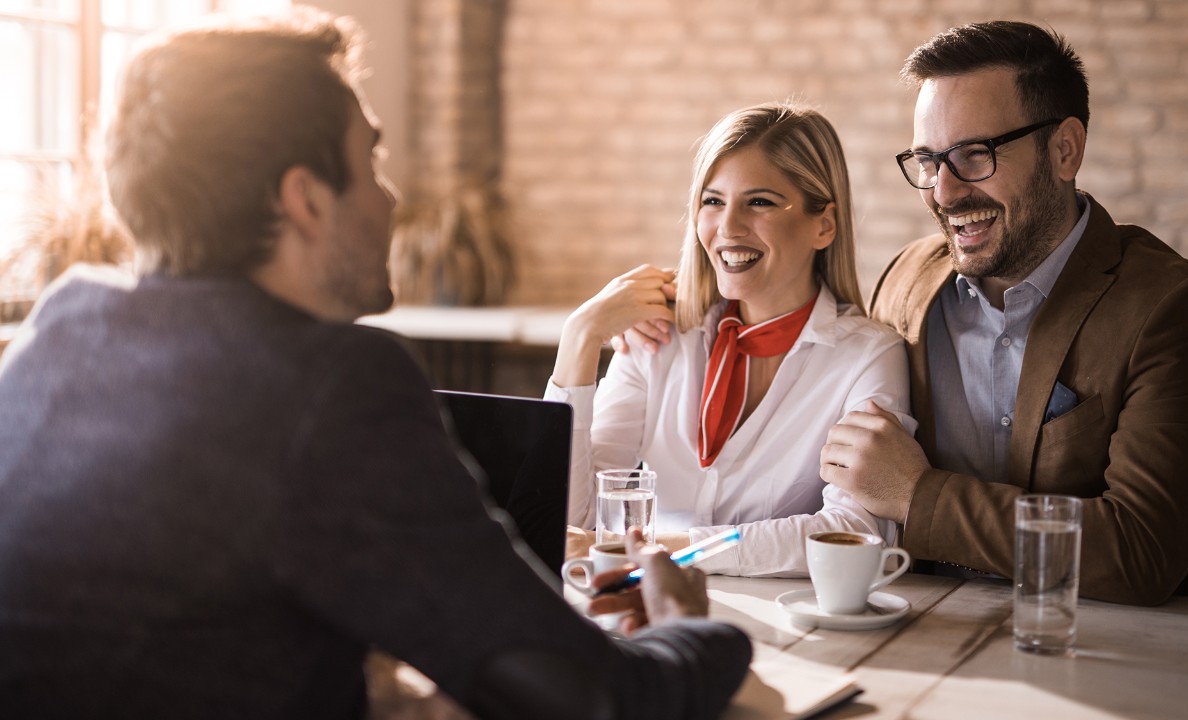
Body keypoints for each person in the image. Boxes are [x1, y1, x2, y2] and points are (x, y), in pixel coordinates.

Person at [0, 9, 750, 719]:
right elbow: (594, 697)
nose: (391, 199)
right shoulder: (332, 382)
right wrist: (687, 622)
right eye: (371, 160)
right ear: (305, 200)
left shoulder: (64, 326)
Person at [819, 21, 1188, 606]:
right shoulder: (906, 282)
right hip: (918, 639)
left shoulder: (1176, 310)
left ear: (1064, 150)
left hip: (1108, 659)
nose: (943, 192)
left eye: (975, 154)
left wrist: (918, 496)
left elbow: (1140, 553)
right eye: (927, 160)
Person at [547, 102, 914, 577]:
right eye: (713, 201)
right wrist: (578, 338)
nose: (728, 227)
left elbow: (852, 533)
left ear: (823, 224)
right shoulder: (659, 336)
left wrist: (664, 549)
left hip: (790, 629)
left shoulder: (867, 357)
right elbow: (571, 521)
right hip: (643, 608)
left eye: (759, 202)